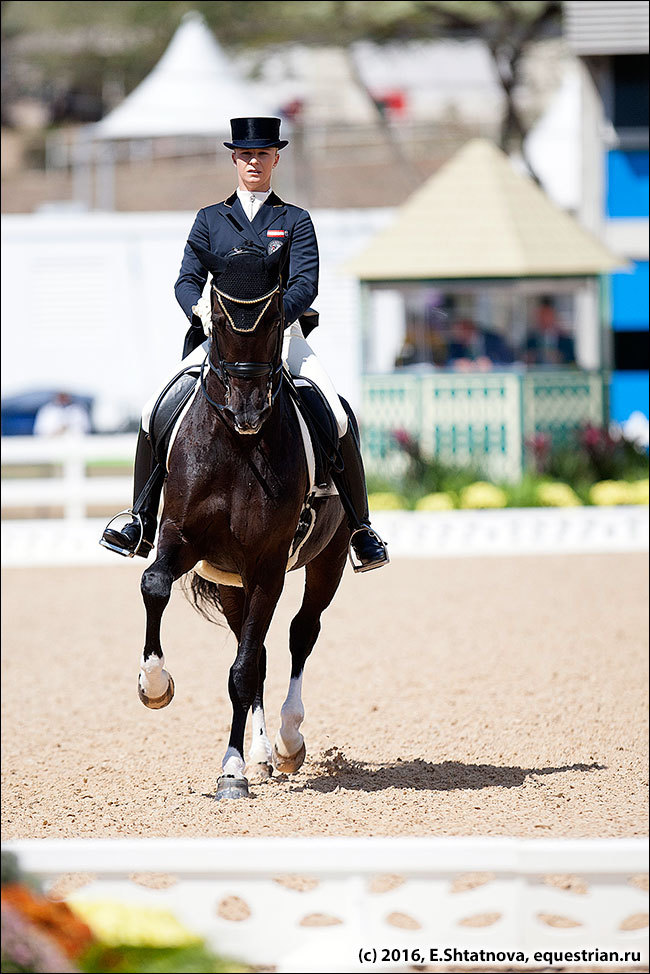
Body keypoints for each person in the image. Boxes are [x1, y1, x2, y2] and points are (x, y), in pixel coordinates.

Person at [101, 116, 388, 572]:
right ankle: (139, 520)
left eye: (262, 154)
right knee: (154, 408)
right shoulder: (210, 219)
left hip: (281, 337)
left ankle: (360, 528)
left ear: (276, 158)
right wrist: (199, 311)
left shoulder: (293, 219)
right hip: (220, 340)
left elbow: (304, 283)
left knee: (334, 413)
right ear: (235, 158)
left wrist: (272, 322)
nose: (254, 161)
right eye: (246, 154)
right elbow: (186, 280)